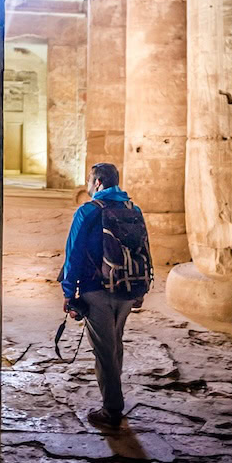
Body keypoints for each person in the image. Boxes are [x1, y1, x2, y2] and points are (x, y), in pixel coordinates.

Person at [61, 162, 154, 430]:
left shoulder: (88, 211)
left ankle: (112, 410)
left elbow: (73, 254)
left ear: (98, 183)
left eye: (90, 181)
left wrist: (69, 292)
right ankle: (113, 400)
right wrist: (142, 288)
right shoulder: (133, 209)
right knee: (114, 343)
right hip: (127, 290)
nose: (88, 186)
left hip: (96, 290)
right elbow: (144, 249)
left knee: (104, 350)